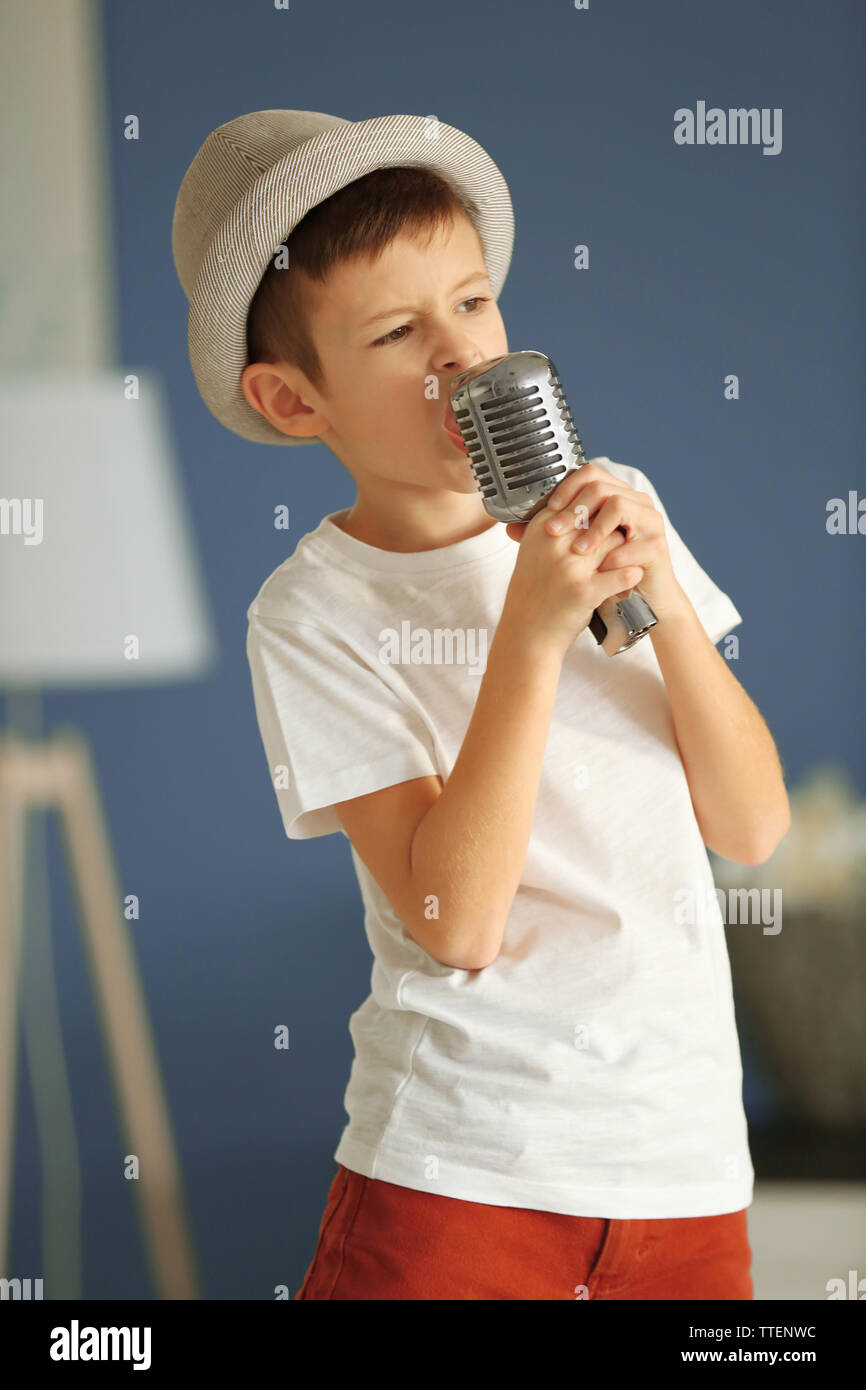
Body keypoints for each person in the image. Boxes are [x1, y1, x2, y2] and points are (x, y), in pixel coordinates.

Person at [172, 109, 791, 1300]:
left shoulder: (618, 514)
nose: (459, 358)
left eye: (473, 303)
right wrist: (528, 631)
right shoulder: (312, 615)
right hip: (462, 1180)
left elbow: (751, 825)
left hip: (684, 1172)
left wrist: (652, 583)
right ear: (296, 400)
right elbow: (453, 922)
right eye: (399, 331)